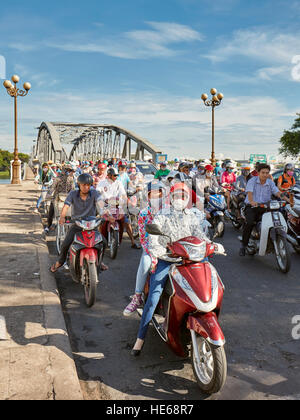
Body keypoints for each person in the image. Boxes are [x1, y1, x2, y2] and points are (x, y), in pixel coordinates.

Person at [130, 182, 212, 355]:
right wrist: (159, 250)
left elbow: (199, 234)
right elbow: (153, 236)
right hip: (167, 258)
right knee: (153, 296)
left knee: (208, 279)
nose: (179, 199)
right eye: (176, 195)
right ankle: (140, 338)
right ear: (171, 197)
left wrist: (211, 244)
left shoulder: (192, 215)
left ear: (188, 198)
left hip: (188, 259)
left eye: (183, 196)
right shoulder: (162, 214)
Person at [123, 181, 166, 316]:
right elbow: (144, 239)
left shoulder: (170, 211)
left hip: (172, 249)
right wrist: (154, 254)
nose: (156, 195)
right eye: (152, 193)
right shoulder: (143, 214)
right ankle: (137, 297)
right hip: (151, 248)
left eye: (158, 192)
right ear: (148, 196)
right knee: (146, 261)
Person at [50, 173, 108, 272]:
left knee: (104, 242)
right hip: (77, 225)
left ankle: (99, 261)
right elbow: (66, 206)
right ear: (79, 185)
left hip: (92, 225)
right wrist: (62, 217)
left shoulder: (95, 193)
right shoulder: (72, 194)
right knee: (65, 244)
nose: (86, 187)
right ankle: (60, 262)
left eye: (88, 185)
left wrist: (106, 214)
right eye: (83, 185)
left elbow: (101, 204)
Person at [239, 163, 288, 256]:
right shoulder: (252, 181)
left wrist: (287, 200)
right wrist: (252, 201)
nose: (265, 175)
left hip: (265, 207)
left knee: (274, 221)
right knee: (249, 223)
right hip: (252, 207)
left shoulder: (270, 182)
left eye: (267, 173)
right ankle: (243, 245)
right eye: (263, 172)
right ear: (258, 172)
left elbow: (277, 192)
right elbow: (249, 192)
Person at [97, 167, 141, 249]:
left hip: (117, 205)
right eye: (114, 175)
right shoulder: (102, 183)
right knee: (101, 222)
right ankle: (99, 242)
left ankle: (133, 242)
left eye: (117, 175)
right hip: (105, 206)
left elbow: (123, 194)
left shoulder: (118, 183)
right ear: (109, 175)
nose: (116, 177)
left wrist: (128, 203)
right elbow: (98, 192)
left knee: (127, 222)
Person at [44, 163, 75, 234]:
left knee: (51, 212)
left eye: (69, 170)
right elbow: (72, 190)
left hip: (59, 199)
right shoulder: (63, 179)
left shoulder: (63, 178)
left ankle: (48, 227)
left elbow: (52, 189)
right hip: (63, 199)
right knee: (52, 211)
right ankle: (49, 226)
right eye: (67, 170)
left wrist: (48, 195)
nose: (68, 171)